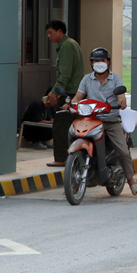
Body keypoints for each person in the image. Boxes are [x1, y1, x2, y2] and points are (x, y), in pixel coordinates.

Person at [70, 47, 137, 196]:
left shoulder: (115, 79)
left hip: (110, 120)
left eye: (102, 60)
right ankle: (72, 179)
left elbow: (121, 96)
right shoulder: (87, 79)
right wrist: (71, 103)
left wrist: (121, 102)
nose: (99, 63)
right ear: (91, 63)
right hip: (91, 120)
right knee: (71, 134)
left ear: (108, 62)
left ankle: (131, 181)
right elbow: (78, 97)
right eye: (96, 60)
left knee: (122, 150)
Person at [46, 20, 84, 166]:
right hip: (75, 92)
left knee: (60, 126)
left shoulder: (67, 46)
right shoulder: (71, 44)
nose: (48, 36)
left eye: (50, 33)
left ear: (60, 31)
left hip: (70, 93)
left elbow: (65, 74)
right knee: (73, 127)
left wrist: (55, 92)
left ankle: (61, 158)